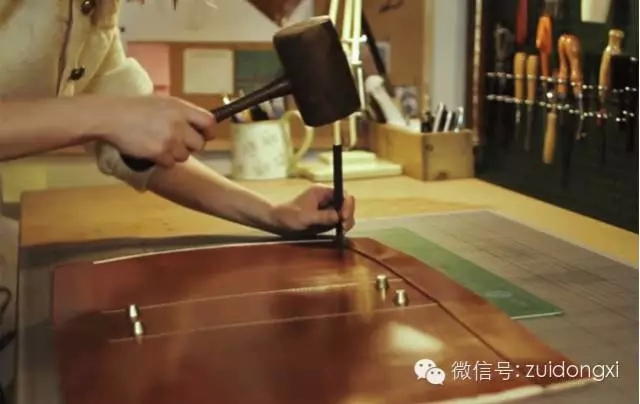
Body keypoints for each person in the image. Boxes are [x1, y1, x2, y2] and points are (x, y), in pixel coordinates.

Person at [0, 0, 356, 238]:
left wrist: (271, 214)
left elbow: (140, 151)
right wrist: (104, 115)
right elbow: (109, 116)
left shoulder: (94, 9)